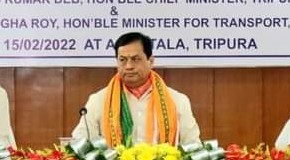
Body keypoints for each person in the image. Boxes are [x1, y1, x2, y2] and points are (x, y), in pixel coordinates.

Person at [72, 32, 200, 147]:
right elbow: (81, 143)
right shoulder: (99, 100)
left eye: (135, 59)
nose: (128, 66)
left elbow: (193, 146)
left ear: (151, 61)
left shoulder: (177, 100)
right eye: (122, 60)